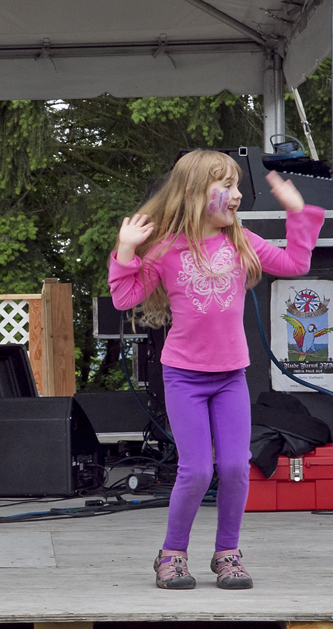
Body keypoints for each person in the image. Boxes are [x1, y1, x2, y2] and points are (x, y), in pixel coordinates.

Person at [108, 150, 325, 590]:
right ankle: (172, 554)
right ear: (193, 192)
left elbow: (296, 265)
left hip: (230, 378)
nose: (237, 194)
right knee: (197, 471)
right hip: (184, 377)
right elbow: (124, 298)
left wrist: (298, 213)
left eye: (237, 185)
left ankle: (228, 553)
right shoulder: (166, 249)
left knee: (236, 467)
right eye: (226, 186)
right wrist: (126, 250)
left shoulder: (242, 242)